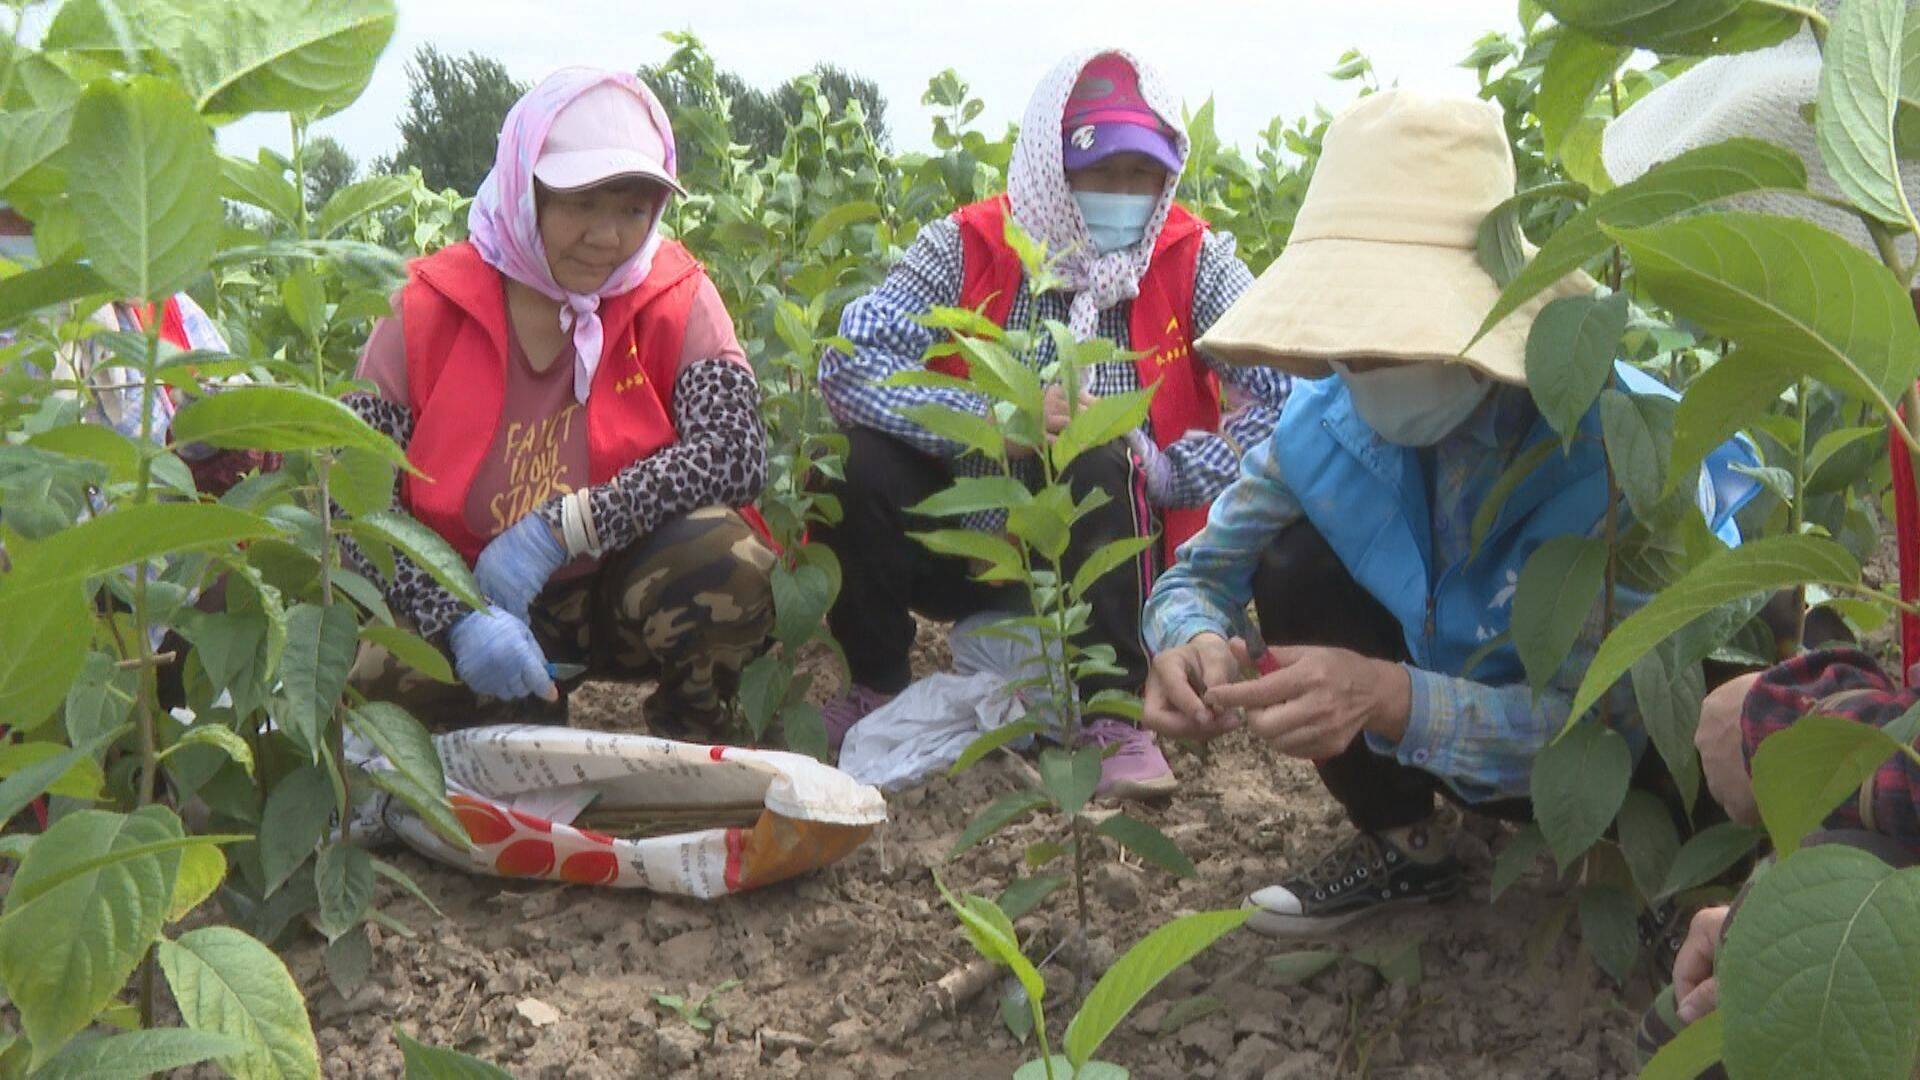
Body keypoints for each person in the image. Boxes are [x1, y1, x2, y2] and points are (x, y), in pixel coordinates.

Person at [1138, 88, 1756, 936]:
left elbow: (1607, 720)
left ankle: (1676, 891)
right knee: (1293, 561)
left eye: (1397, 333)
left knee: (1716, 672)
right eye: (1350, 338)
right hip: (1439, 733)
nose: (1366, 364)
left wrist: (1390, 698)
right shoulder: (1322, 427)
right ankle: (1408, 842)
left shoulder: (1623, 451)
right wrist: (1190, 637)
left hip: (1619, 762)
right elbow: (1196, 577)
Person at [815, 50, 1291, 800]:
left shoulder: (1193, 259)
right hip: (974, 548)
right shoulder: (967, 244)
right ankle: (877, 683)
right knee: (851, 462)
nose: (1124, 196)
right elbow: (847, 363)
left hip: (1129, 563)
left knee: (1098, 449)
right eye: (1101, 174)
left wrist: (1169, 469)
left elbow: (1287, 401)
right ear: (1050, 167)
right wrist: (992, 420)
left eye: (1143, 177)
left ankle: (1113, 714)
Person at [342, 68, 775, 740]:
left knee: (725, 558)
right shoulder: (423, 308)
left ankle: (696, 724)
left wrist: (566, 527)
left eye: (633, 210)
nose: (607, 237)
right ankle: (513, 711)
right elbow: (355, 504)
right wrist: (455, 615)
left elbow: (735, 451)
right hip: (477, 596)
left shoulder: (673, 293)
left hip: (619, 591)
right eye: (579, 204)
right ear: (526, 190)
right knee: (375, 659)